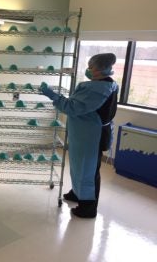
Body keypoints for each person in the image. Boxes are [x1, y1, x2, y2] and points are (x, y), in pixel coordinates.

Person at [39, 53, 119, 218]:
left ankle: (88, 207)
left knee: (87, 171)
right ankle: (78, 193)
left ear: (102, 69)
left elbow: (72, 107)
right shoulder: (103, 84)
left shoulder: (97, 89)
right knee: (78, 166)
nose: (88, 70)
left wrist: (52, 95)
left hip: (90, 136)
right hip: (83, 134)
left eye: (91, 67)